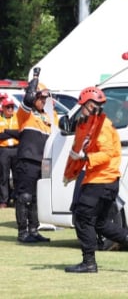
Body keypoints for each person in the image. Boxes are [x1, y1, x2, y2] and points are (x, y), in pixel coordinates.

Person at [65, 87, 128, 273]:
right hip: (106, 181)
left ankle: (89, 262)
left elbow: (107, 153)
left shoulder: (102, 126)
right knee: (101, 223)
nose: (81, 109)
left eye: (83, 106)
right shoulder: (94, 123)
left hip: (100, 180)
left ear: (91, 106)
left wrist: (86, 159)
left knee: (82, 218)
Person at [14, 77, 57, 243]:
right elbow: (26, 103)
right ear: (33, 97)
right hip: (28, 160)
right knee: (25, 197)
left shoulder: (48, 116)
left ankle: (34, 229)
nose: (43, 101)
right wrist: (30, 91)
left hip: (44, 162)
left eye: (44, 98)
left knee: (38, 199)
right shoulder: (25, 115)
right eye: (40, 98)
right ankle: (22, 232)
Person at [0, 98, 19, 208]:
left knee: (17, 176)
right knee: (4, 176)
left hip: (16, 149)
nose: (11, 109)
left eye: (12, 107)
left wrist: (6, 132)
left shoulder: (16, 117)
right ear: (3, 108)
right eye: (8, 107)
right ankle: (4, 200)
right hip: (4, 150)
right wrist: (12, 133)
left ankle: (16, 199)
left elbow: (20, 133)